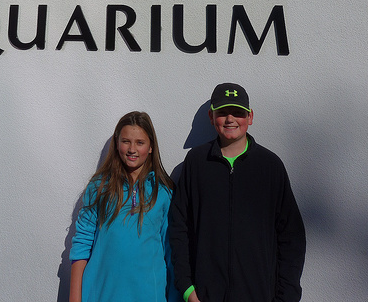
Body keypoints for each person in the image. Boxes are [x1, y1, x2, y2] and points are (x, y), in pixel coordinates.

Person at [169, 83, 306, 302]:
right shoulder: (196, 162)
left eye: (238, 113)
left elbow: (292, 237)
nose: (230, 119)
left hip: (259, 295)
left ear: (250, 117)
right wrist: (186, 288)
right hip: (205, 296)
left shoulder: (270, 166)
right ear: (211, 116)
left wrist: (286, 296)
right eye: (222, 112)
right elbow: (179, 227)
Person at [69, 110, 180, 302]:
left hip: (149, 295)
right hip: (102, 294)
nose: (132, 149)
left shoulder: (163, 192)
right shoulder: (99, 187)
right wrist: (74, 298)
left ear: (151, 147)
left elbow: (171, 251)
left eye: (140, 142)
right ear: (117, 143)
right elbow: (82, 245)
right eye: (126, 141)